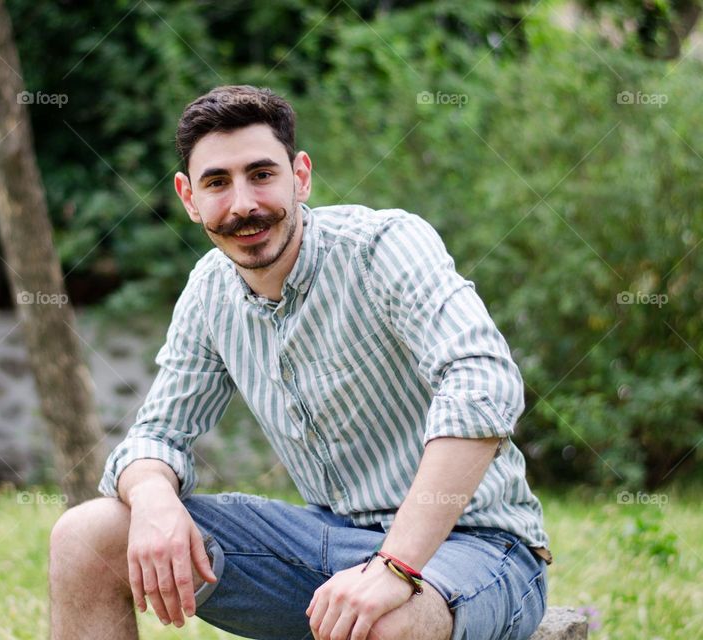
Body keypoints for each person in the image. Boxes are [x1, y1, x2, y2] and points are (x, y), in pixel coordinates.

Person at [49, 84, 552, 640]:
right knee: (85, 536)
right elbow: (157, 436)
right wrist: (150, 496)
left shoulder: (383, 245)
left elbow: (482, 381)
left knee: (382, 624)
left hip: (479, 547)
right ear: (189, 198)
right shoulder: (209, 291)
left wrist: (395, 566)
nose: (243, 204)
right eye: (217, 183)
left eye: (262, 174)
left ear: (301, 176)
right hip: (329, 544)